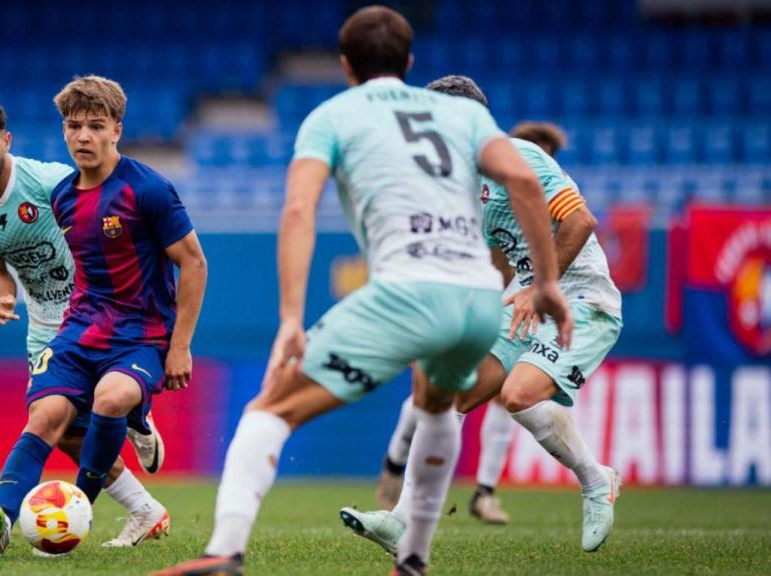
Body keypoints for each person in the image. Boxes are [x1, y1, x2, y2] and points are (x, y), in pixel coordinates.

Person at [154, 8, 570, 576]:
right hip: (479, 299)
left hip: (408, 291)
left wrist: (291, 318)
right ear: (410, 62)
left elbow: (299, 210)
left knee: (269, 408)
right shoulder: (462, 115)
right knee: (438, 403)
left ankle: (225, 551)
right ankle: (414, 558)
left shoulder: (332, 116)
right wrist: (546, 282)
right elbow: (522, 179)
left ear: (346, 65)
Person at [341, 76, 622, 557]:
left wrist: (539, 287)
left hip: (580, 295)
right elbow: (498, 259)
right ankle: (402, 521)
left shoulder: (520, 156)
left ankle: (597, 481)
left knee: (517, 395)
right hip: (523, 298)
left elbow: (581, 221)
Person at [0, 82, 207, 557]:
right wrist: (7, 291)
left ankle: (78, 509)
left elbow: (194, 263)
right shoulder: (63, 198)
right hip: (79, 330)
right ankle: (0, 522)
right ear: (64, 131)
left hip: (141, 335)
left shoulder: (148, 189)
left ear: (117, 130)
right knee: (46, 417)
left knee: (109, 399)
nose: (84, 136)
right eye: (74, 126)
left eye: (96, 126)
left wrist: (180, 346)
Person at [374, 120, 574, 525]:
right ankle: (395, 464)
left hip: (516, 303)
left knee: (503, 392)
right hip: (473, 301)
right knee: (432, 391)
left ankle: (484, 491)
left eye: (549, 160)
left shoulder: (546, 207)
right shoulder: (484, 199)